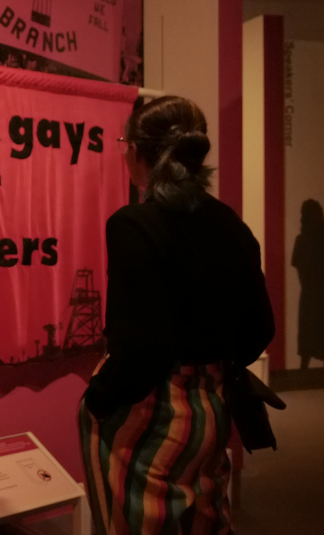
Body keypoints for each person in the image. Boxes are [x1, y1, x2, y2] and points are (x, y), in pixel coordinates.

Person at [79, 96, 275, 535]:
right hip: (215, 404)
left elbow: (141, 347)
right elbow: (260, 329)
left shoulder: (132, 224)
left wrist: (99, 398)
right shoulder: (228, 221)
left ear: (135, 151)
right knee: (207, 520)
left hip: (154, 408)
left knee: (135, 523)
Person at [292, 199, 324, 369]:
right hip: (321, 291)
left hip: (308, 292)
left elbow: (298, 266)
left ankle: (303, 368)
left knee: (307, 332)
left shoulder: (301, 240)